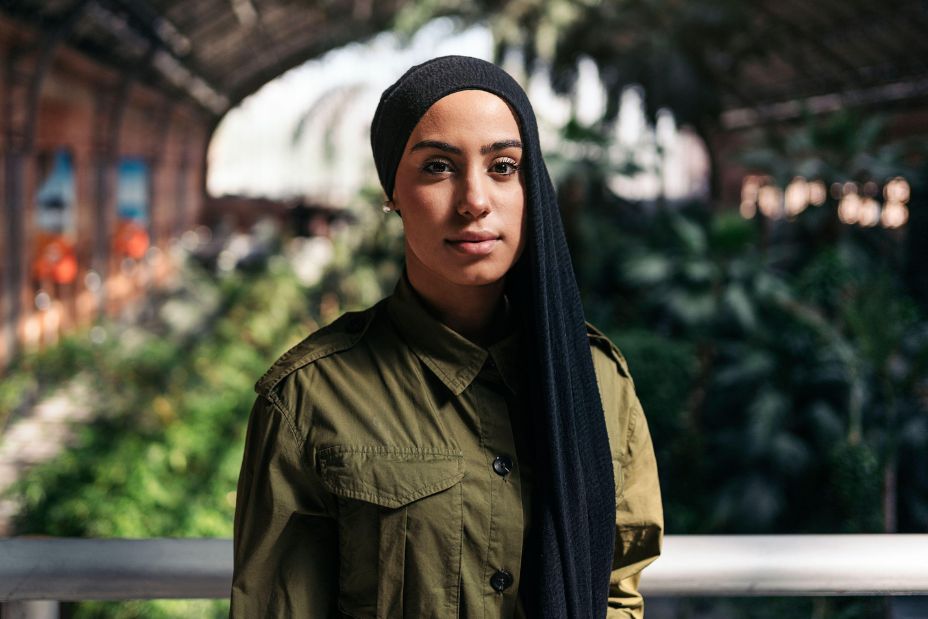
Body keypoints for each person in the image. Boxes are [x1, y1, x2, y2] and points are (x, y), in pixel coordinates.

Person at [230, 55, 662, 618]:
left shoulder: (597, 380)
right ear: (392, 192)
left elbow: (616, 591)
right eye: (438, 167)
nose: (475, 201)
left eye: (503, 166)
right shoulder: (309, 399)